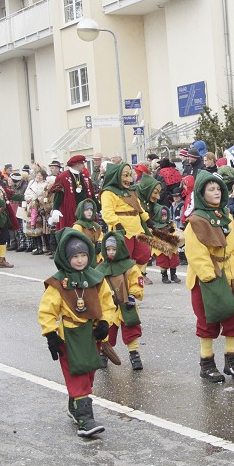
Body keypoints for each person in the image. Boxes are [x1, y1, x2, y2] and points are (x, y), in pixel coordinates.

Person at [38, 230, 118, 438]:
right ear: (66, 258)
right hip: (70, 335)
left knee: (89, 373)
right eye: (75, 256)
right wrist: (51, 334)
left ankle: (75, 406)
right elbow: (47, 310)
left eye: (83, 255)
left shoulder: (96, 279)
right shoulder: (58, 284)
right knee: (78, 374)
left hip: (91, 334)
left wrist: (104, 322)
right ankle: (85, 418)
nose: (80, 260)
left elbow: (108, 304)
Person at [184, 171, 234, 384]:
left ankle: (232, 360)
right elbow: (194, 252)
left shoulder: (227, 216)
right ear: (201, 193)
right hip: (206, 279)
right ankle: (207, 363)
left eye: (218, 188)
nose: (216, 192)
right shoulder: (196, 220)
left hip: (228, 275)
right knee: (207, 322)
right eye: (211, 189)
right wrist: (210, 278)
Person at [97, 233, 144, 370]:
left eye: (114, 249)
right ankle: (104, 353)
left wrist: (133, 295)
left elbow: (136, 281)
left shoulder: (130, 267)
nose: (111, 252)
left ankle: (134, 354)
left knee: (131, 330)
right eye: (108, 249)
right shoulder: (100, 269)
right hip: (108, 306)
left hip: (126, 304)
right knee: (107, 330)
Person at [49, 155, 94, 233]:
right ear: (77, 164)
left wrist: (99, 208)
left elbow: (91, 195)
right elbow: (58, 194)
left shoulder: (85, 177)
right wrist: (55, 209)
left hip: (85, 211)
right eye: (82, 163)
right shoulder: (62, 177)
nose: (84, 166)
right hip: (70, 211)